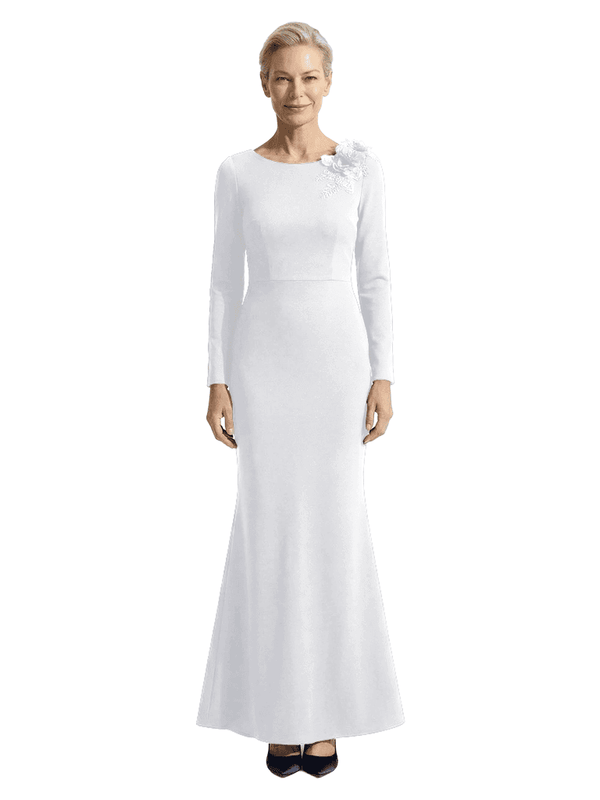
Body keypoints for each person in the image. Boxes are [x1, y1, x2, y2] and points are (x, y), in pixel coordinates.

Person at [196, 21, 405, 778]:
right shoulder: (236, 173)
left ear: (328, 81)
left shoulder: (359, 169)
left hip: (337, 369)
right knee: (271, 534)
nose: (297, 91)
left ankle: (326, 716)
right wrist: (216, 378)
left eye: (310, 77)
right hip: (263, 368)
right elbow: (223, 281)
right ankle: (281, 718)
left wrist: (383, 375)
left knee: (334, 534)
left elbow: (377, 276)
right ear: (264, 83)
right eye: (283, 77)